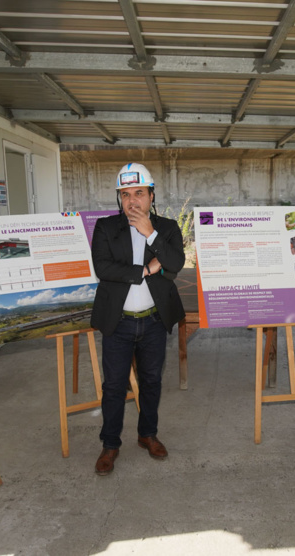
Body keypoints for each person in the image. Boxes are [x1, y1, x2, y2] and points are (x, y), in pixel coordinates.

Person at [90, 162, 186, 476]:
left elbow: (175, 263)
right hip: (118, 322)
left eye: (139, 193)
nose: (132, 201)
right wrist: (146, 270)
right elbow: (103, 269)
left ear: (151, 195)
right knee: (114, 386)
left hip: (154, 320)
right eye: (126, 194)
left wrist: (150, 234)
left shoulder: (167, 228)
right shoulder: (106, 227)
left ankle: (147, 434)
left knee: (152, 381)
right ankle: (110, 444)